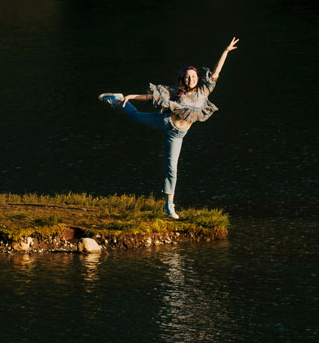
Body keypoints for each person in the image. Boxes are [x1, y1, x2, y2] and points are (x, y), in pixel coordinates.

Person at [101, 37, 239, 219]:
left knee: (172, 168)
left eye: (193, 76)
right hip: (165, 122)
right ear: (183, 79)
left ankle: (168, 205)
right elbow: (152, 97)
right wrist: (131, 96)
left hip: (178, 136)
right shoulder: (177, 92)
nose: (190, 79)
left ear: (198, 78)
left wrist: (225, 52)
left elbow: (216, 73)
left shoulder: (204, 91)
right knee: (136, 116)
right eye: (187, 77)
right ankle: (118, 99)